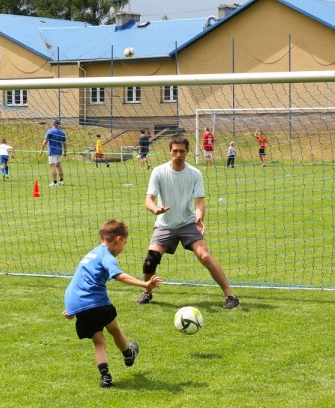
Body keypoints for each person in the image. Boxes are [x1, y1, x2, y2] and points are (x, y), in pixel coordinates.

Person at [137, 135, 240, 310]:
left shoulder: (194, 173)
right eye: (175, 151)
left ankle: (230, 296)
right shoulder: (158, 172)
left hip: (188, 223)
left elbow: (199, 202)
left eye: (182, 151)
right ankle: (147, 292)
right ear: (170, 151)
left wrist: (199, 217)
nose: (178, 155)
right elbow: (149, 199)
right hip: (165, 224)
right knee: (150, 259)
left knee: (205, 256)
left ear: (187, 152)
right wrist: (155, 209)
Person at [63, 220, 161, 388]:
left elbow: (78, 281)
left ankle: (105, 377)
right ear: (118, 239)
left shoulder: (91, 254)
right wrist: (145, 284)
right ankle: (128, 354)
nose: (123, 247)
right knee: (115, 330)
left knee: (99, 342)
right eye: (124, 243)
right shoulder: (106, 256)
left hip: (76, 302)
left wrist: (72, 309)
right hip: (97, 302)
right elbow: (118, 275)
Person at [38, 119, 67, 186]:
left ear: (53, 124)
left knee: (53, 166)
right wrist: (65, 152)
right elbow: (64, 143)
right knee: (59, 166)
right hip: (59, 151)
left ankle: (54, 182)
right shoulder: (62, 132)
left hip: (52, 151)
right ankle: (62, 181)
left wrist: (41, 150)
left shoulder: (50, 131)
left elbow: (45, 141)